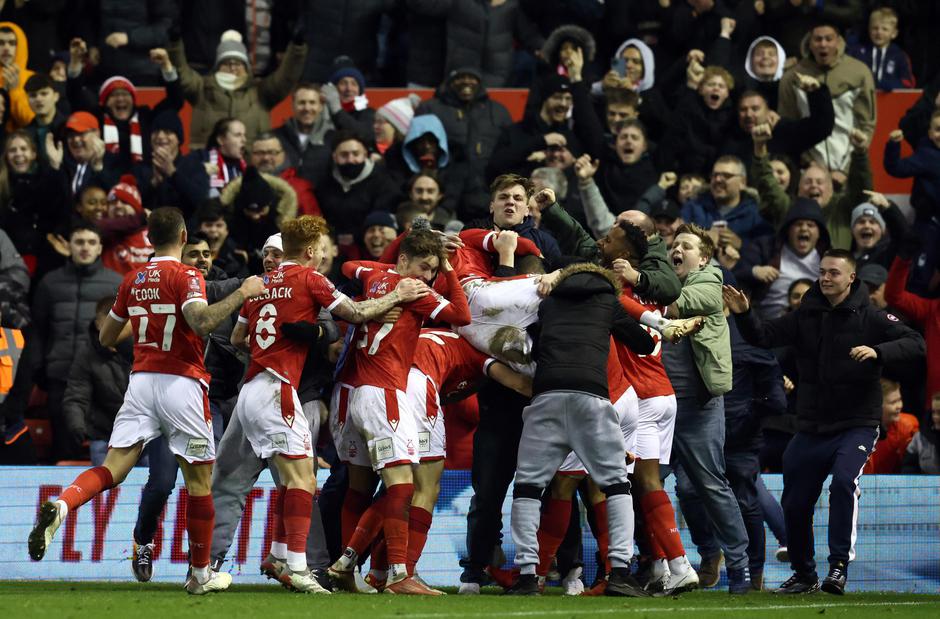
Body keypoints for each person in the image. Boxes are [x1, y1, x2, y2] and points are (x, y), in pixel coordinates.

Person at [27, 207, 267, 595]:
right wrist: (243, 292)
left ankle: (63, 505)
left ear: (150, 240)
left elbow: (106, 338)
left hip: (140, 383)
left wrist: (146, 325)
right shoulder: (187, 275)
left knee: (113, 468)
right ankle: (200, 575)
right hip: (181, 384)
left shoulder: (133, 279)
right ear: (185, 236)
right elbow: (201, 322)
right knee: (200, 481)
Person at [228, 215, 429, 592]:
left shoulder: (259, 284)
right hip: (278, 389)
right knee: (304, 479)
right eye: (321, 249)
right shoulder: (310, 279)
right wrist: (397, 296)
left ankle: (277, 555)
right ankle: (299, 567)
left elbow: (239, 337)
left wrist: (270, 348)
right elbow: (354, 313)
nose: (323, 255)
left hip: (251, 386)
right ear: (308, 251)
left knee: (293, 476)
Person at [725, 248, 925, 595]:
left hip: (857, 424)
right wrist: (744, 314)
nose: (826, 277)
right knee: (795, 501)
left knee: (844, 482)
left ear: (851, 278)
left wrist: (879, 352)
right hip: (812, 426)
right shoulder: (806, 314)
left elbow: (916, 343)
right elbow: (765, 336)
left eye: (834, 272)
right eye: (823, 272)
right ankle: (804, 574)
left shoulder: (872, 318)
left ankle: (838, 568)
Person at [328, 229, 470, 595]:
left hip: (351, 392)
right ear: (405, 260)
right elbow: (460, 315)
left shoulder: (375, 276)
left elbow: (349, 264)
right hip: (385, 392)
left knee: (364, 486)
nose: (427, 277)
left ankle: (347, 564)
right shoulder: (416, 291)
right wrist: (451, 272)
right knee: (403, 484)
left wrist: (393, 274)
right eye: (425, 267)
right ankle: (397, 574)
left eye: (433, 271)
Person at [506, 261, 653, 596]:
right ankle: (619, 571)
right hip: (592, 397)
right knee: (616, 484)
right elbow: (644, 344)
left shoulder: (550, 304)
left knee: (528, 487)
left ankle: (528, 576)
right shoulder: (607, 302)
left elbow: (533, 342)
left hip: (547, 396)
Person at [660, 223, 752, 594]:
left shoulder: (711, 283)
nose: (676, 250)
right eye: (672, 246)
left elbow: (675, 304)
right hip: (657, 407)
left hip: (698, 405)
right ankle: (660, 561)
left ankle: (741, 567)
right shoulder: (660, 281)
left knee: (708, 485)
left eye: (685, 246)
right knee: (645, 485)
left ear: (704, 257)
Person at [30, 223, 123, 460]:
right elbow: (37, 331)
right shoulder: (49, 283)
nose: (85, 248)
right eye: (79, 242)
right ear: (68, 246)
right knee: (64, 446)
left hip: (105, 380)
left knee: (109, 449)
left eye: (91, 242)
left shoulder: (117, 283)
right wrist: (39, 370)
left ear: (100, 248)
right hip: (59, 376)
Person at [162, 28, 308, 148]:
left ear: (247, 67)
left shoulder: (260, 91)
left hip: (252, 167)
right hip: (209, 167)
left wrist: (297, 48)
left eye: (238, 63)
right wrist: (175, 45)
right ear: (217, 67)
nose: (233, 68)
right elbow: (182, 73)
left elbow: (286, 77)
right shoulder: (201, 88)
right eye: (227, 63)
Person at [778, 21, 876, 177]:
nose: (823, 44)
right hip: (809, 173)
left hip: (849, 171)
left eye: (828, 39)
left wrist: (846, 169)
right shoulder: (792, 77)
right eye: (817, 39)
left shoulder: (859, 73)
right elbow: (788, 126)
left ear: (838, 42)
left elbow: (866, 125)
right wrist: (810, 165)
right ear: (809, 43)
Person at [61, 296, 133, 466]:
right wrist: (76, 425)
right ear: (98, 324)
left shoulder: (144, 350)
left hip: (141, 433)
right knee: (102, 484)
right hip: (103, 434)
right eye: (103, 322)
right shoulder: (86, 354)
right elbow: (77, 394)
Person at [132, 110, 209, 217]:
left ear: (178, 139)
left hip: (185, 230)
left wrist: (172, 173)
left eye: (167, 132)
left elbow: (200, 201)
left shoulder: (194, 165)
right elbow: (133, 204)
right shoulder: (141, 168)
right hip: (149, 230)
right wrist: (154, 183)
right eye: (156, 131)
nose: (160, 136)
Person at [273, 82, 333, 186]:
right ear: (293, 106)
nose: (307, 108)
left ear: (320, 106)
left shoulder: (333, 138)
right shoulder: (276, 137)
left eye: (312, 102)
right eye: (302, 103)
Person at [250, 131, 321, 217]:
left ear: (283, 155)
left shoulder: (299, 189)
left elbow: (314, 226)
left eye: (272, 152)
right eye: (259, 153)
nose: (266, 158)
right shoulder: (240, 185)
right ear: (251, 156)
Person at [847, 8, 915, 91]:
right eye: (875, 28)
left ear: (894, 33)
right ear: (869, 30)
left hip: (890, 100)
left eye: (885, 29)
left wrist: (890, 85)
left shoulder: (900, 56)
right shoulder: (857, 52)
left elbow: (909, 83)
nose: (879, 32)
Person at [863, 379, 919, 474]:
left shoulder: (907, 426)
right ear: (877, 406)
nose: (899, 406)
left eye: (899, 400)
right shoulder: (860, 432)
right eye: (893, 402)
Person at [0, 22, 36, 129]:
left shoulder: (31, 78)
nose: (6, 48)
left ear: (20, 46)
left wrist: (15, 91)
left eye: (12, 43)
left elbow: (28, 120)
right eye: (1, 43)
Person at [902, 392, 940, 474]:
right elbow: (909, 466)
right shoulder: (920, 437)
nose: (936, 417)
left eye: (939, 413)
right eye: (934, 412)